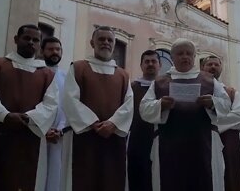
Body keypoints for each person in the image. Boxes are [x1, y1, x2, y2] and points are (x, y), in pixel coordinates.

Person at [140, 38, 233, 191]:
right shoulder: (159, 83)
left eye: (189, 53)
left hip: (203, 142)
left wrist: (212, 103)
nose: (185, 57)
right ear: (172, 57)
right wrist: (160, 105)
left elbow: (226, 105)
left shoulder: (209, 81)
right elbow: (144, 108)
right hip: (168, 143)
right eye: (180, 53)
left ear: (194, 57)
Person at [0, 24, 58, 191]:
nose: (31, 43)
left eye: (35, 40)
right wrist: (5, 116)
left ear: (39, 44)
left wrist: (29, 118)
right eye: (27, 38)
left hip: (28, 135)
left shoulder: (47, 74)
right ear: (16, 39)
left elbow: (51, 103)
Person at [61, 26, 134, 191]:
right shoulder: (78, 68)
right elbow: (70, 99)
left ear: (114, 44)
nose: (106, 43)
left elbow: (128, 105)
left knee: (112, 180)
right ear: (92, 43)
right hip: (85, 137)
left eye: (110, 40)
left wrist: (112, 124)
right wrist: (93, 123)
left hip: (113, 138)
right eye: (101, 39)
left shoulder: (123, 75)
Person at [201, 56, 240, 191]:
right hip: (201, 140)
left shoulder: (230, 92)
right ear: (202, 68)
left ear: (221, 68)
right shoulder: (197, 89)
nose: (213, 67)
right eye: (209, 64)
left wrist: (214, 126)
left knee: (230, 178)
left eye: (216, 64)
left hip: (227, 141)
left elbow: (239, 116)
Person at [128, 50, 162, 191]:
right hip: (138, 141)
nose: (150, 64)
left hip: (162, 141)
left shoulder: (165, 87)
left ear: (160, 65)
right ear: (141, 66)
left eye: (153, 61)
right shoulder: (132, 88)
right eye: (146, 62)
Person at [42, 36, 67, 191]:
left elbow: (68, 107)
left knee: (55, 177)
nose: (54, 52)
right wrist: (44, 128)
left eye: (57, 49)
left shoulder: (66, 78)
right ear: (42, 51)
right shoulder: (35, 73)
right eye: (50, 49)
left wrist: (60, 129)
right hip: (38, 133)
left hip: (59, 135)